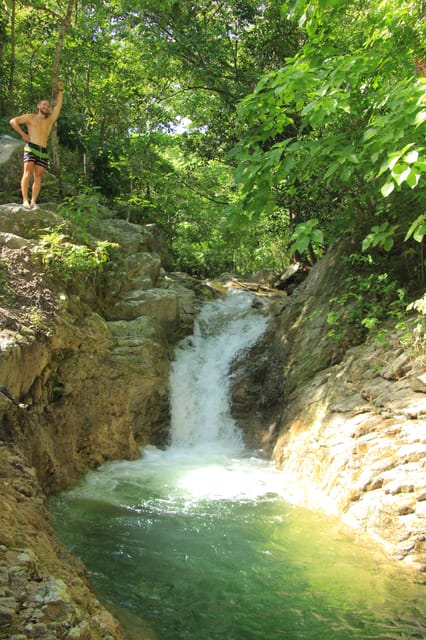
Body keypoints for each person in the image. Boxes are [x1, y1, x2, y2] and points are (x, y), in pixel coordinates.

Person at [9, 81, 64, 210]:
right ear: (38, 106)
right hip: (31, 147)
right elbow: (13, 121)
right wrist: (23, 134)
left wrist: (60, 91)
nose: (46, 107)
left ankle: (33, 201)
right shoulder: (31, 117)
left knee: (38, 176)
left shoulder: (49, 120)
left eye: (48, 105)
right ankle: (25, 200)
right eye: (44, 104)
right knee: (27, 173)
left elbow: (58, 107)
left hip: (43, 150)